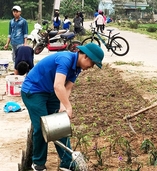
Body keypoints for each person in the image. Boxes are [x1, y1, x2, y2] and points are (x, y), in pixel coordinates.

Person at [21, 43, 104, 171]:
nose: (92, 67)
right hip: (34, 90)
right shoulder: (65, 59)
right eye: (92, 63)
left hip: (50, 92)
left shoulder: (77, 68)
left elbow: (67, 87)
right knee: (41, 127)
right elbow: (58, 86)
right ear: (86, 57)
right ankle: (38, 163)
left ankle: (67, 163)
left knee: (61, 125)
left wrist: (62, 106)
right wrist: (68, 106)